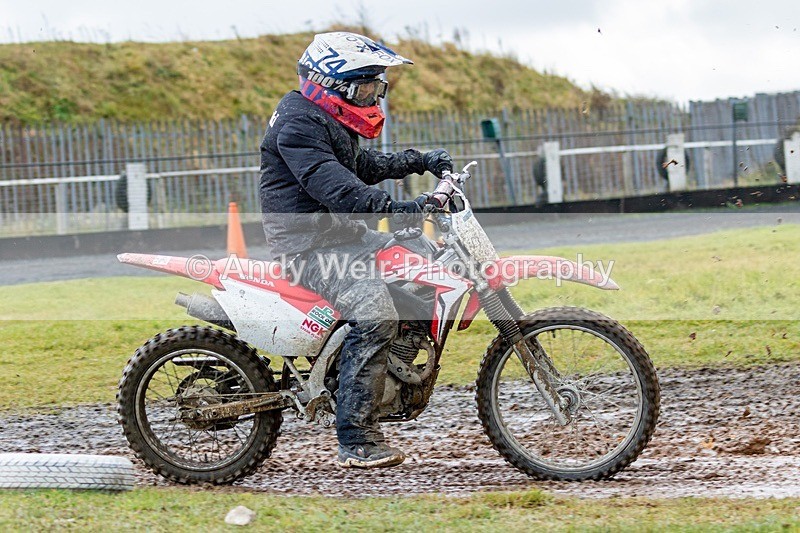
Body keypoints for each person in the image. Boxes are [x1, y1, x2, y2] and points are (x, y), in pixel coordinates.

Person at [259, 32, 452, 468]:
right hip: (307, 247)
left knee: (422, 256)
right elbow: (336, 186)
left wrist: (418, 160)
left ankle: (395, 369)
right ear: (336, 85)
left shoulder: (319, 117)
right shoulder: (297, 122)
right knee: (375, 313)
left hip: (340, 238)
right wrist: (398, 207)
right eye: (367, 86)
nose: (374, 96)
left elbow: (359, 165)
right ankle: (356, 437)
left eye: (376, 88)